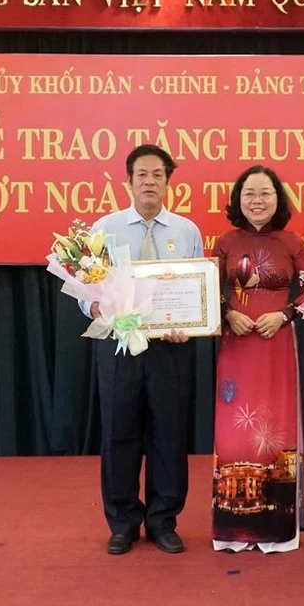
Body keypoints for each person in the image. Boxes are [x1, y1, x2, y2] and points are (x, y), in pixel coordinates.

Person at [81, 144, 203, 555]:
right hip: (119, 346)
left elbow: (195, 289)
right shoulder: (105, 228)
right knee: (120, 433)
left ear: (168, 182)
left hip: (171, 349)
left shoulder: (187, 231)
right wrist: (94, 307)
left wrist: (190, 323)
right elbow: (87, 289)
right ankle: (123, 523)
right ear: (128, 181)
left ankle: (163, 521)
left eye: (157, 175)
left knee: (169, 435)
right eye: (142, 175)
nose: (149, 182)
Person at [211, 165, 304, 553]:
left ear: (278, 198)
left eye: (265, 193)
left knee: (276, 425)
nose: (257, 201)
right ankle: (232, 529)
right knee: (233, 432)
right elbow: (210, 289)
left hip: (277, 344)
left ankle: (276, 529)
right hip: (236, 347)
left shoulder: (293, 241)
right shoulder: (225, 241)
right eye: (249, 194)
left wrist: (283, 315)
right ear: (238, 200)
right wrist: (227, 313)